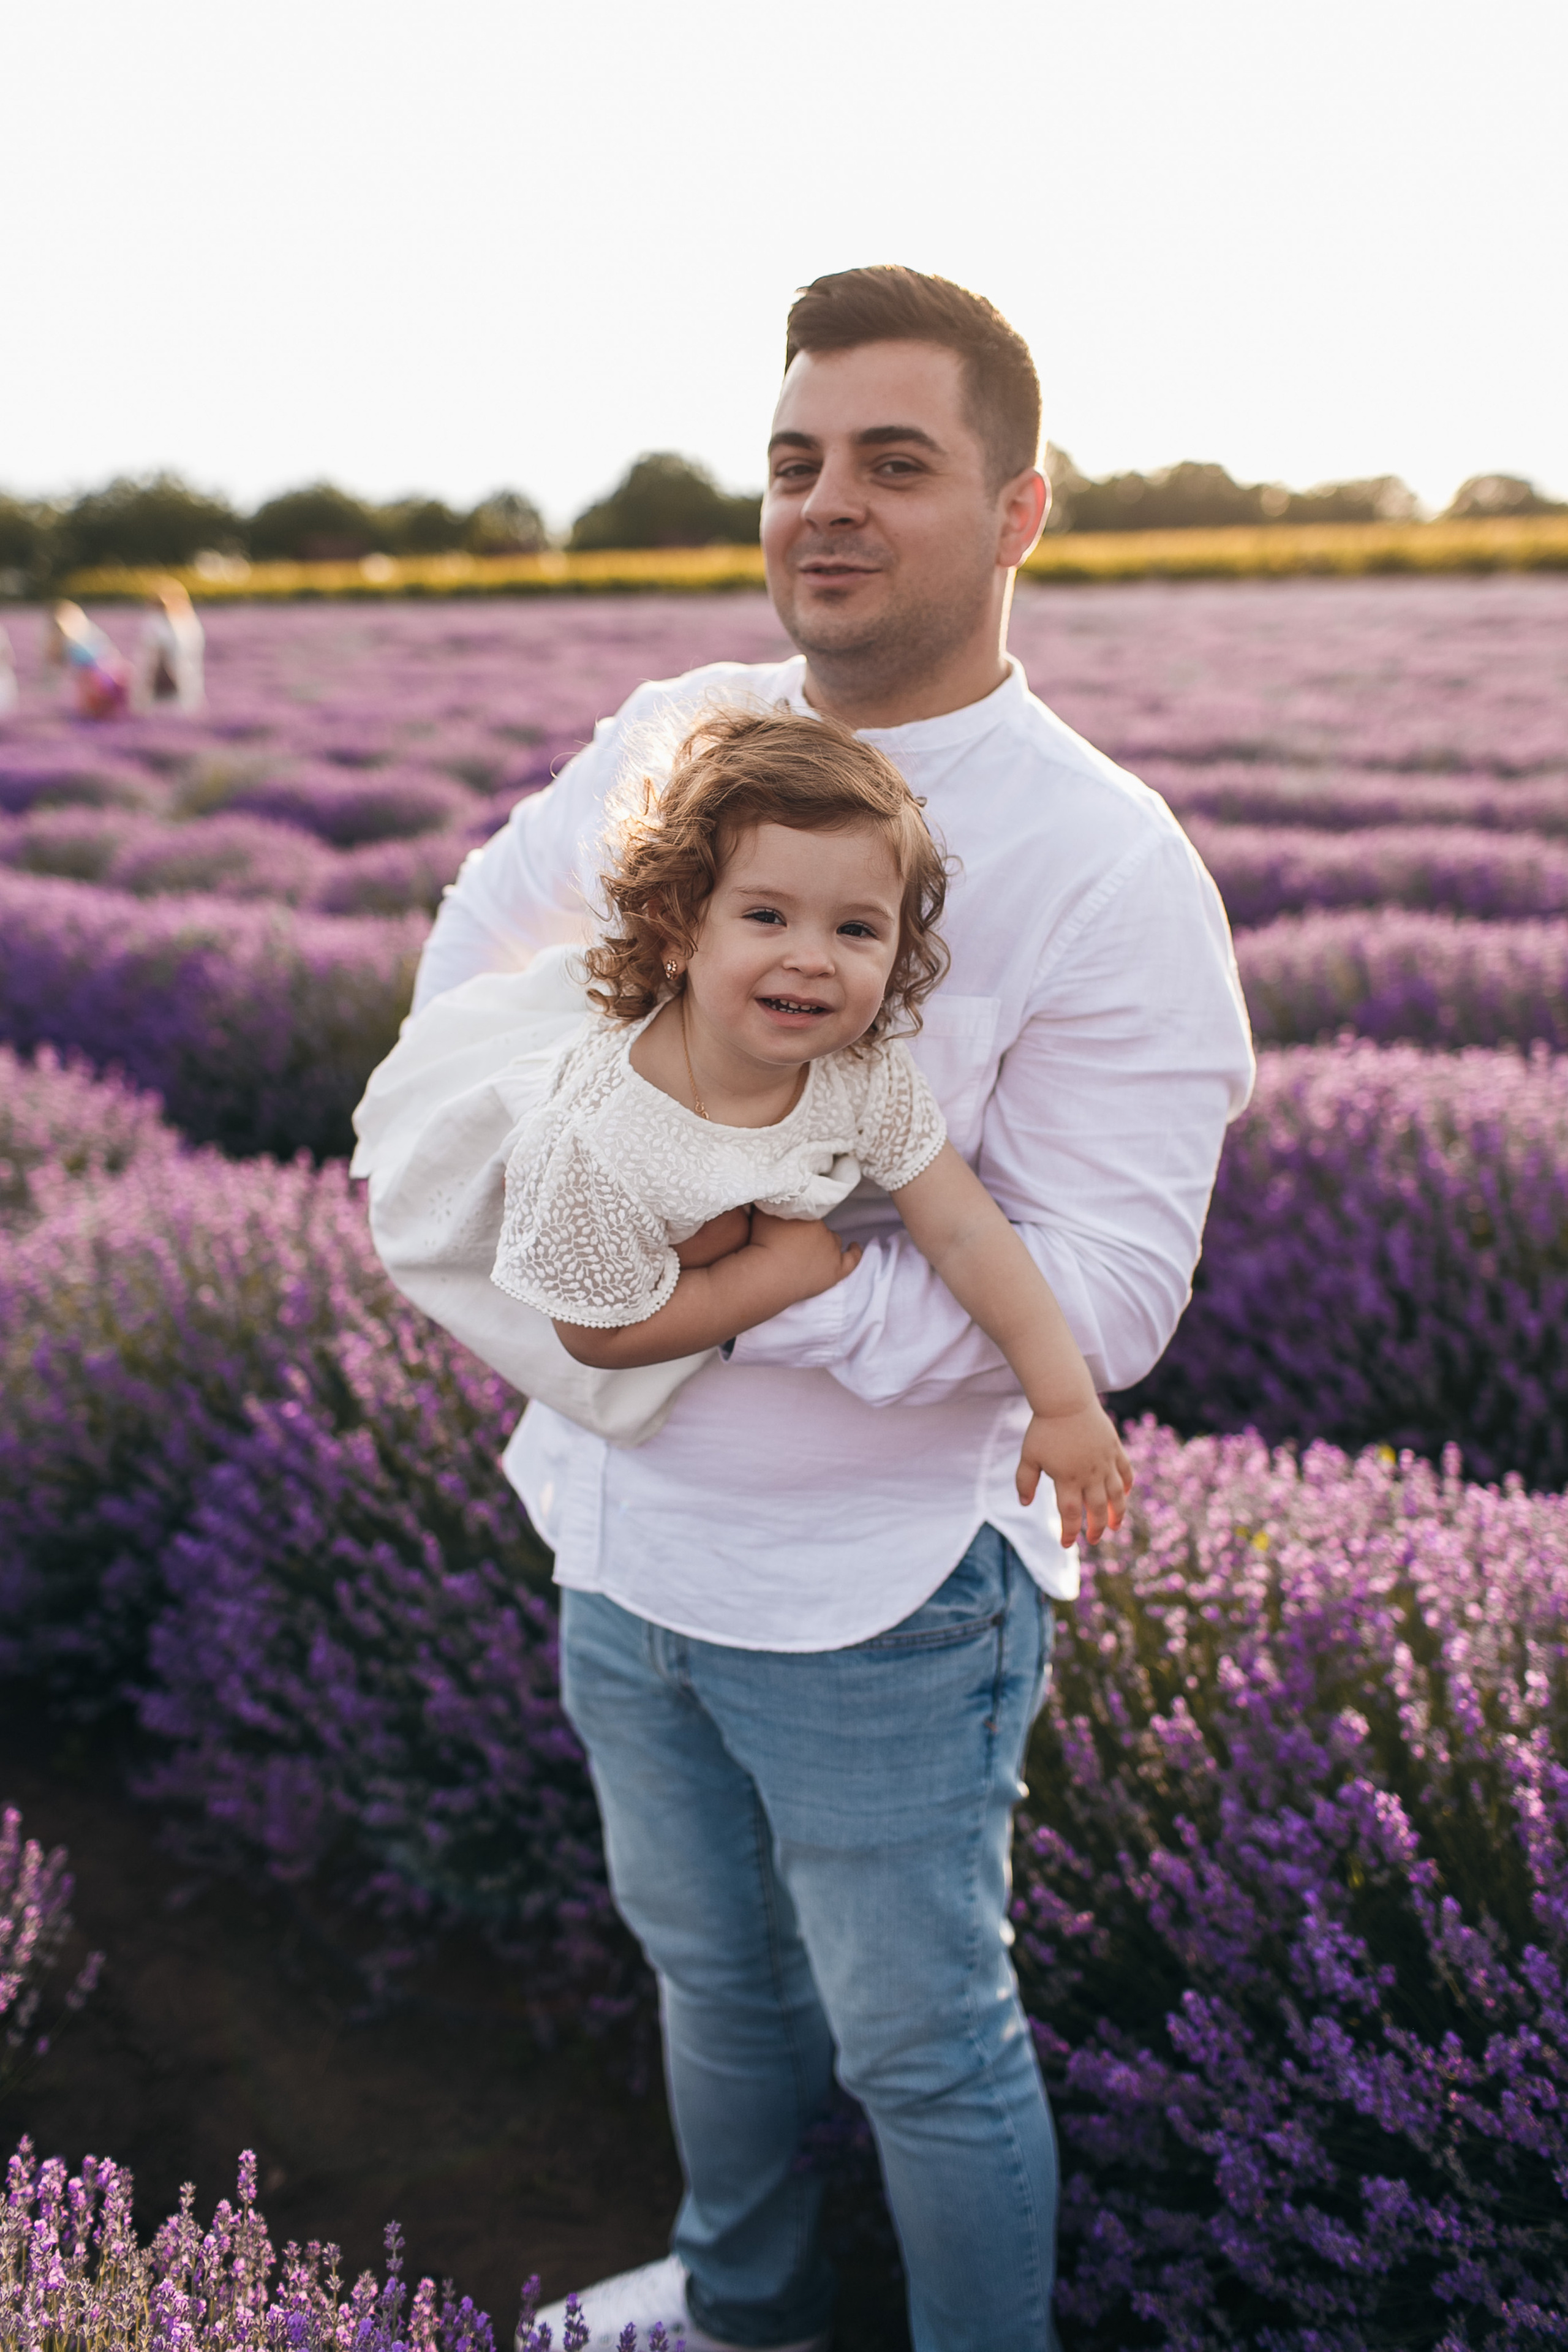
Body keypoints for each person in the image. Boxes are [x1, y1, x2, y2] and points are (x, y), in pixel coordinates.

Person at [415, 266, 1255, 2352]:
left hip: (882, 1593)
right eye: (797, 462)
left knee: (926, 2051)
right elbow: (471, 954)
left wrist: (738, 1289)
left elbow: (1112, 1294)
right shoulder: (671, 742)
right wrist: (574, 1156)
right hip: (619, 1540)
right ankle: (745, 2303)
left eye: (896, 462)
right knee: (707, 1980)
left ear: (1020, 513)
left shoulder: (1105, 858)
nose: (827, 506)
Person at [47, 600, 129, 719]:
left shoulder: (79, 635)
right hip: (98, 672)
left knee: (96, 704)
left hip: (98, 673)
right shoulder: (81, 633)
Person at [134, 578, 205, 710]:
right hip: (184, 683)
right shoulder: (191, 622)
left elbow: (153, 659)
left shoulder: (158, 624)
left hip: (166, 683)